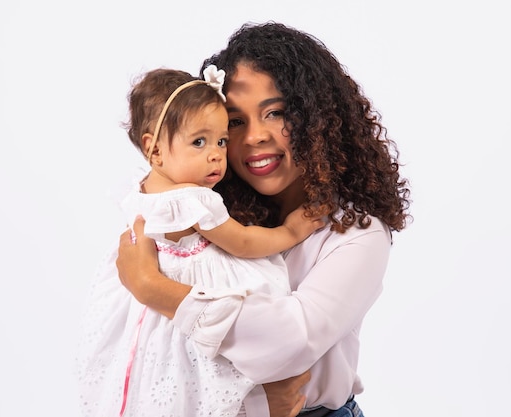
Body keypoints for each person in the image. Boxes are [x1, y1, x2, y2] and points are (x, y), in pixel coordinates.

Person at [116, 22, 412, 417]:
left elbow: (292, 341)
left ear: (317, 119)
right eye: (235, 122)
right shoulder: (205, 213)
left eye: (276, 113)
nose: (254, 136)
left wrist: (153, 288)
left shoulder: (356, 232)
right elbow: (159, 342)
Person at [76, 65, 323, 417]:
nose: (216, 155)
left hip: (144, 313)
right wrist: (292, 231)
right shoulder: (194, 199)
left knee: (156, 374)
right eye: (199, 142)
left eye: (222, 140)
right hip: (186, 299)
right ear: (155, 149)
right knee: (206, 373)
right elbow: (242, 243)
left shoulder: (141, 189)